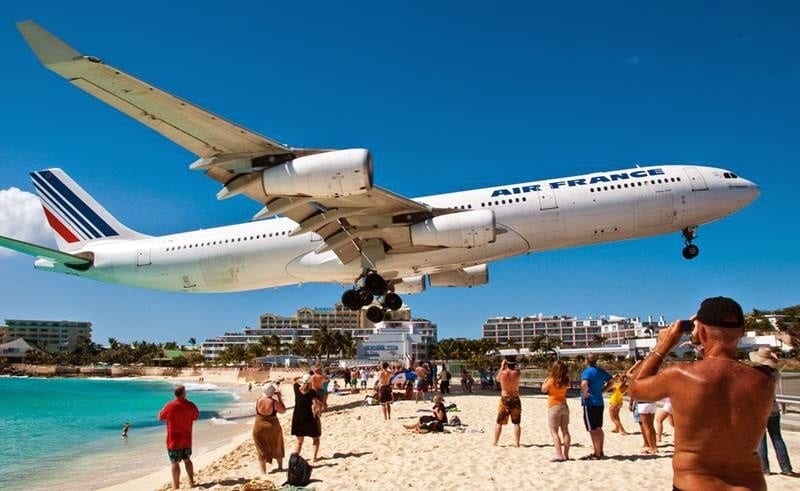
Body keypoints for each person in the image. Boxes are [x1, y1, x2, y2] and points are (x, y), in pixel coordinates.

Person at [628, 296, 774, 490]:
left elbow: (636, 389)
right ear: (742, 331)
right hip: (750, 484)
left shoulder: (680, 375)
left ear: (702, 331)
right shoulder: (765, 379)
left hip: (695, 483)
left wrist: (663, 344)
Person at [750, 347, 794, 476]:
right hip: (773, 407)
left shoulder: (755, 374)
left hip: (759, 409)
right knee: (777, 438)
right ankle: (786, 468)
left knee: (761, 440)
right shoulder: (775, 374)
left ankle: (765, 469)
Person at [158, 384, 199, 490]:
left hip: (173, 440)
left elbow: (160, 417)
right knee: (187, 460)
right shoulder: (191, 405)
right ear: (184, 393)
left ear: (174, 394)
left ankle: (176, 486)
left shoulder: (170, 405)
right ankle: (191, 481)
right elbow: (196, 416)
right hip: (186, 439)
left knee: (174, 463)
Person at [580, 353, 613, 459]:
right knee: (599, 427)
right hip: (599, 402)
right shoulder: (600, 371)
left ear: (587, 361)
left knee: (592, 429)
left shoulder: (587, 371)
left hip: (590, 403)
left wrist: (585, 394)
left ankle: (597, 452)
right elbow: (611, 381)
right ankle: (600, 450)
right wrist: (604, 390)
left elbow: (584, 384)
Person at [252, 383, 287, 474]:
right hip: (272, 426)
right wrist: (279, 397)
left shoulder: (258, 399)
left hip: (258, 425)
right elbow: (283, 411)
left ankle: (263, 472)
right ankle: (280, 467)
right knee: (277, 445)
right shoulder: (274, 402)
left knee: (261, 449)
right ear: (273, 392)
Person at [541, 360, 571, 461]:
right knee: (565, 431)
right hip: (564, 405)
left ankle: (558, 454)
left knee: (554, 432)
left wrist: (546, 380)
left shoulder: (551, 380)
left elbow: (543, 390)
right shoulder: (566, 380)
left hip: (554, 406)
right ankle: (566, 454)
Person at [291, 373, 323, 463]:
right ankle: (313, 458)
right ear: (310, 382)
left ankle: (295, 459)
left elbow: (293, 379)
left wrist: (301, 377)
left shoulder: (297, 388)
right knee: (316, 438)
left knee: (299, 441)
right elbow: (315, 404)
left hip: (297, 417)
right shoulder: (312, 392)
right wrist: (318, 413)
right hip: (309, 417)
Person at [493, 357, 522, 447]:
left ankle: (495, 442)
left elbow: (497, 379)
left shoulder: (502, 373)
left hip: (505, 399)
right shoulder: (517, 373)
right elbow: (517, 370)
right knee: (516, 423)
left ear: (506, 363)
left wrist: (502, 366)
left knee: (499, 422)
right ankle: (517, 443)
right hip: (515, 398)